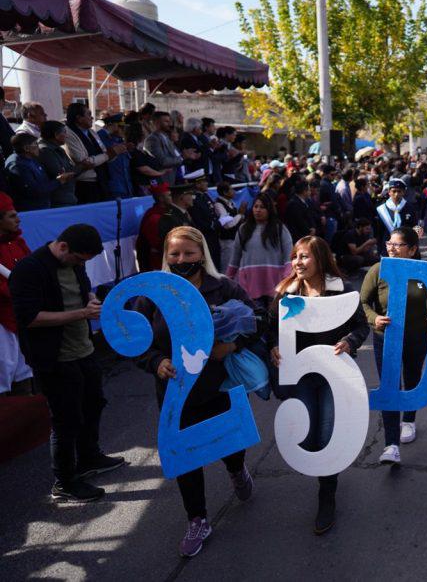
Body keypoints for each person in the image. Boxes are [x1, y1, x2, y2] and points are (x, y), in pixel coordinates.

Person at [134, 226, 258, 556]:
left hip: (220, 384)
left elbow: (255, 320)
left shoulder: (225, 288)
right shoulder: (153, 295)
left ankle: (236, 470)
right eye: (174, 254)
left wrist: (232, 345)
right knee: (185, 454)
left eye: (188, 253)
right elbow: (136, 341)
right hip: (176, 394)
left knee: (230, 444)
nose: (181, 259)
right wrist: (155, 361)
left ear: (202, 253)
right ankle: (197, 519)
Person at [9, 224, 125, 502]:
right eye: (78, 259)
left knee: (93, 402)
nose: (80, 265)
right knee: (65, 419)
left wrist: (92, 301)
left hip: (83, 349)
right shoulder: (29, 269)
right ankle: (65, 481)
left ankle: (89, 457)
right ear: (63, 247)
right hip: (54, 358)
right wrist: (82, 313)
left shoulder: (74, 264)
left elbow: (85, 291)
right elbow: (31, 318)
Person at [269, 236, 369, 534]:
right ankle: (325, 479)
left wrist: (349, 342)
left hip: (333, 377)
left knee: (327, 436)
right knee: (310, 437)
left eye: (305, 257)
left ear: (321, 259)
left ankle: (327, 494)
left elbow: (361, 327)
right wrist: (273, 347)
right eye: (295, 257)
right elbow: (269, 330)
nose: (298, 262)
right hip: (301, 376)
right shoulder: (284, 293)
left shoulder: (342, 290)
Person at [360, 227, 427, 465]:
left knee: (411, 379)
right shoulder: (378, 270)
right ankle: (391, 444)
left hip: (417, 336)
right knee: (390, 387)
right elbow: (363, 303)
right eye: (389, 243)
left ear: (412, 250)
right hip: (385, 338)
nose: (391, 248)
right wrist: (374, 318)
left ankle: (409, 419)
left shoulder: (423, 273)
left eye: (398, 245)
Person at [226, 193, 293, 307]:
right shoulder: (243, 229)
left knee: (274, 320)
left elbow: (289, 255)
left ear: (269, 209)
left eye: (262, 207)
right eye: (255, 206)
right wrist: (228, 279)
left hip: (275, 283)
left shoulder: (280, 228)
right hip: (250, 283)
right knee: (256, 319)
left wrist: (287, 278)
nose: (258, 210)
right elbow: (235, 258)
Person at [0, 192, 32, 394]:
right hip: (3, 320)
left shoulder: (18, 243)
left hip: (20, 315)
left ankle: (31, 419)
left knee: (25, 370)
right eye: (12, 216)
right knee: (4, 370)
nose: (18, 219)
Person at [64, 103, 120, 203]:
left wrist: (115, 152)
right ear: (79, 118)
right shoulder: (68, 134)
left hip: (101, 180)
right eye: (88, 114)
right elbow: (83, 160)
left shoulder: (91, 132)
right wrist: (108, 155)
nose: (92, 117)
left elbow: (104, 152)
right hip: (86, 184)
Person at [5, 133, 74, 210]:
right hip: (31, 210)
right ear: (26, 148)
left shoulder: (31, 158)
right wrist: (59, 181)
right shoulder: (18, 165)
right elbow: (34, 191)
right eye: (36, 144)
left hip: (42, 205)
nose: (39, 148)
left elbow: (43, 181)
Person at [373, 179, 420, 255]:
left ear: (403, 192)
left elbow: (415, 227)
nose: (396, 194)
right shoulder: (381, 209)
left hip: (405, 247)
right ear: (389, 192)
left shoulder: (410, 207)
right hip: (387, 247)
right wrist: (379, 250)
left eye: (399, 191)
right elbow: (378, 232)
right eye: (394, 191)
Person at [37, 121, 78, 208]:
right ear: (56, 135)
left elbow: (69, 169)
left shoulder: (59, 149)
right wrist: (82, 167)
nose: (66, 136)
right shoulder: (45, 151)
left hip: (67, 197)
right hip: (58, 201)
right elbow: (60, 173)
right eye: (64, 132)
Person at [186, 172, 221, 270]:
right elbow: (199, 221)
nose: (207, 184)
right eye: (204, 182)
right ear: (197, 184)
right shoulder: (195, 200)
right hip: (205, 236)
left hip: (213, 235)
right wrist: (213, 225)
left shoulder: (204, 196)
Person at [136, 183, 172, 272]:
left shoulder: (168, 211)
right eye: (170, 195)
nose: (172, 197)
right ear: (161, 198)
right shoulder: (154, 217)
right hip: (156, 262)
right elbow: (157, 244)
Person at [213, 182, 246, 272]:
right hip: (226, 241)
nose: (234, 191)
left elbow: (236, 218)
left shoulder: (231, 203)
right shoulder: (218, 205)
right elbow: (227, 224)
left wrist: (241, 216)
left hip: (235, 238)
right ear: (225, 192)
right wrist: (240, 214)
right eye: (231, 189)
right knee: (227, 267)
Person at [144, 112, 183, 186]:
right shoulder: (152, 139)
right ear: (156, 123)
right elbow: (163, 161)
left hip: (171, 179)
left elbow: (174, 156)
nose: (170, 124)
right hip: (161, 181)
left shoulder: (166, 138)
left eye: (169, 121)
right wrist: (182, 158)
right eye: (166, 121)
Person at [158, 184, 195, 251]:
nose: (193, 198)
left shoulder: (184, 213)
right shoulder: (169, 218)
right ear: (181, 198)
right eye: (190, 195)